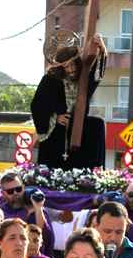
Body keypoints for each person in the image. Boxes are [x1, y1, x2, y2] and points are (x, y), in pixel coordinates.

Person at [30, 36, 108, 169]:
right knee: (56, 149)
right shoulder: (50, 80)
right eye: (66, 66)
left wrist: (102, 48)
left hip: (79, 123)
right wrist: (55, 116)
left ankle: (96, 168)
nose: (71, 69)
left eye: (73, 64)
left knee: (97, 125)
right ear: (60, 67)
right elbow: (37, 105)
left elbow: (97, 72)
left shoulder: (83, 77)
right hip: (58, 125)